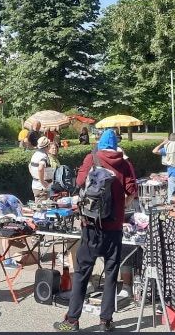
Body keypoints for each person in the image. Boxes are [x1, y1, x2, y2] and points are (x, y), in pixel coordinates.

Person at [53, 129, 137, 332]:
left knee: (82, 273)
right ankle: (105, 322)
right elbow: (133, 191)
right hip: (114, 229)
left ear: (100, 143)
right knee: (111, 275)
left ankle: (72, 321)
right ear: (116, 144)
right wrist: (121, 206)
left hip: (91, 227)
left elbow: (79, 183)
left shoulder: (92, 158)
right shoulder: (124, 163)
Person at [29, 136, 52, 202]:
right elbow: (40, 168)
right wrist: (42, 181)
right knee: (42, 210)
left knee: (40, 208)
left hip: (36, 185)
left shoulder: (35, 154)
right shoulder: (43, 156)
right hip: (41, 188)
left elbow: (29, 165)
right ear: (47, 146)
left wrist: (34, 175)